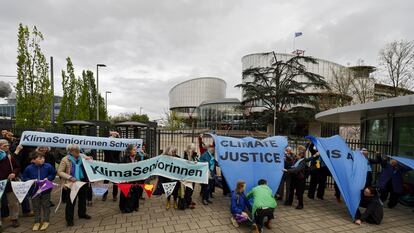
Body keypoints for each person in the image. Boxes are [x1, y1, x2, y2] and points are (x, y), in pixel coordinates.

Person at [57, 144, 92, 227]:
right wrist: (70, 177)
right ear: (70, 151)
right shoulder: (65, 159)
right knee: (71, 201)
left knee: (83, 199)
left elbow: (90, 163)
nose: (77, 151)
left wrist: (90, 159)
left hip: (82, 181)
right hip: (71, 182)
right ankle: (69, 219)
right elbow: (60, 172)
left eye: (78, 149)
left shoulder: (82, 156)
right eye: (74, 150)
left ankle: (82, 214)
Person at [22, 152, 56, 231]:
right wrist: (32, 180)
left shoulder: (48, 166)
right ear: (33, 160)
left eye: (43, 158)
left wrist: (48, 178)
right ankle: (37, 221)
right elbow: (24, 178)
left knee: (46, 205)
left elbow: (53, 174)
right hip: (34, 191)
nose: (43, 160)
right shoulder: (28, 168)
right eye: (40, 158)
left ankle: (46, 220)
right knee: (36, 206)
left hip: (46, 190)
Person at [0, 139, 21, 231]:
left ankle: (14, 218)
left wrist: (14, 173)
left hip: (9, 183)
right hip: (0, 184)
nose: (7, 147)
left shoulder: (9, 156)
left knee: (13, 202)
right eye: (4, 146)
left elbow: (17, 167)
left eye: (8, 145)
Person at [119, 144, 141, 213]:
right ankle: (123, 207)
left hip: (135, 178)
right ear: (130, 151)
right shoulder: (124, 158)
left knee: (135, 192)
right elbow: (122, 168)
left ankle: (135, 206)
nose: (135, 151)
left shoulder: (138, 157)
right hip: (126, 179)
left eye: (135, 149)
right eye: (134, 150)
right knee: (125, 193)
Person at [284, 145, 307, 209]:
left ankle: (300, 204)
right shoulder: (296, 159)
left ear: (302, 154)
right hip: (294, 177)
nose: (297, 154)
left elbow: (297, 169)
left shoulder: (303, 161)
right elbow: (291, 163)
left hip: (300, 178)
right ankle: (289, 202)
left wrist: (287, 170)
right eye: (298, 150)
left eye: (299, 150)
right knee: (291, 190)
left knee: (299, 192)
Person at [102, 131, 121, 202]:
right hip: (107, 164)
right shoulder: (106, 146)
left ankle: (114, 195)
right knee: (106, 181)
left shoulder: (118, 145)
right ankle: (104, 194)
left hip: (115, 164)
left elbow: (122, 145)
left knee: (115, 181)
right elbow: (104, 145)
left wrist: (118, 136)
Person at [183, 144, 197, 209]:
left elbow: (196, 161)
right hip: (188, 176)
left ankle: (189, 200)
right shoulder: (186, 155)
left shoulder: (194, 155)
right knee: (188, 189)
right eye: (193, 149)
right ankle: (187, 203)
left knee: (192, 189)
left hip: (193, 175)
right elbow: (186, 164)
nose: (194, 150)